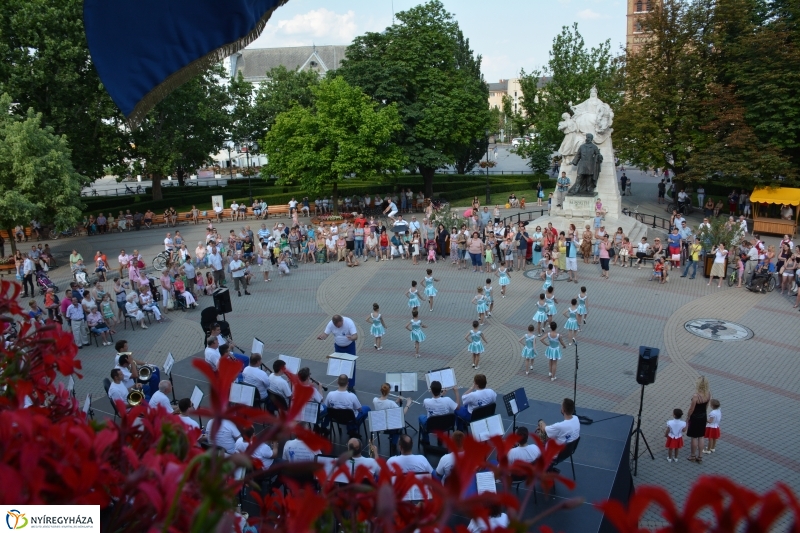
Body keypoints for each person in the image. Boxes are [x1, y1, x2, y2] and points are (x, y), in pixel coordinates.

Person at [318, 315, 358, 389]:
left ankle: (350, 385)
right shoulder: (331, 324)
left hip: (349, 347)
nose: (337, 327)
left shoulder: (349, 322)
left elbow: (356, 336)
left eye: (339, 326)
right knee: (339, 366)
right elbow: (325, 334)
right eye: (336, 326)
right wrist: (322, 337)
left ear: (342, 321)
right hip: (338, 347)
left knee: (351, 365)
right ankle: (341, 383)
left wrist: (352, 338)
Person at [419, 380, 460, 445]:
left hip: (431, 425)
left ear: (431, 391)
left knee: (420, 417)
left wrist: (441, 395)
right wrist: (456, 392)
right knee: (441, 419)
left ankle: (426, 440)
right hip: (446, 424)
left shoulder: (426, 401)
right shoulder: (447, 400)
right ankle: (440, 439)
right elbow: (457, 407)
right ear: (440, 390)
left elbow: (435, 402)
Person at [686, 376, 711, 463]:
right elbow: (707, 406)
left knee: (694, 437)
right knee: (701, 437)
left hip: (695, 418)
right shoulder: (708, 394)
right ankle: (700, 457)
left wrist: (688, 417)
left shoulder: (696, 396)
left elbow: (691, 409)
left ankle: (693, 455)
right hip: (703, 417)